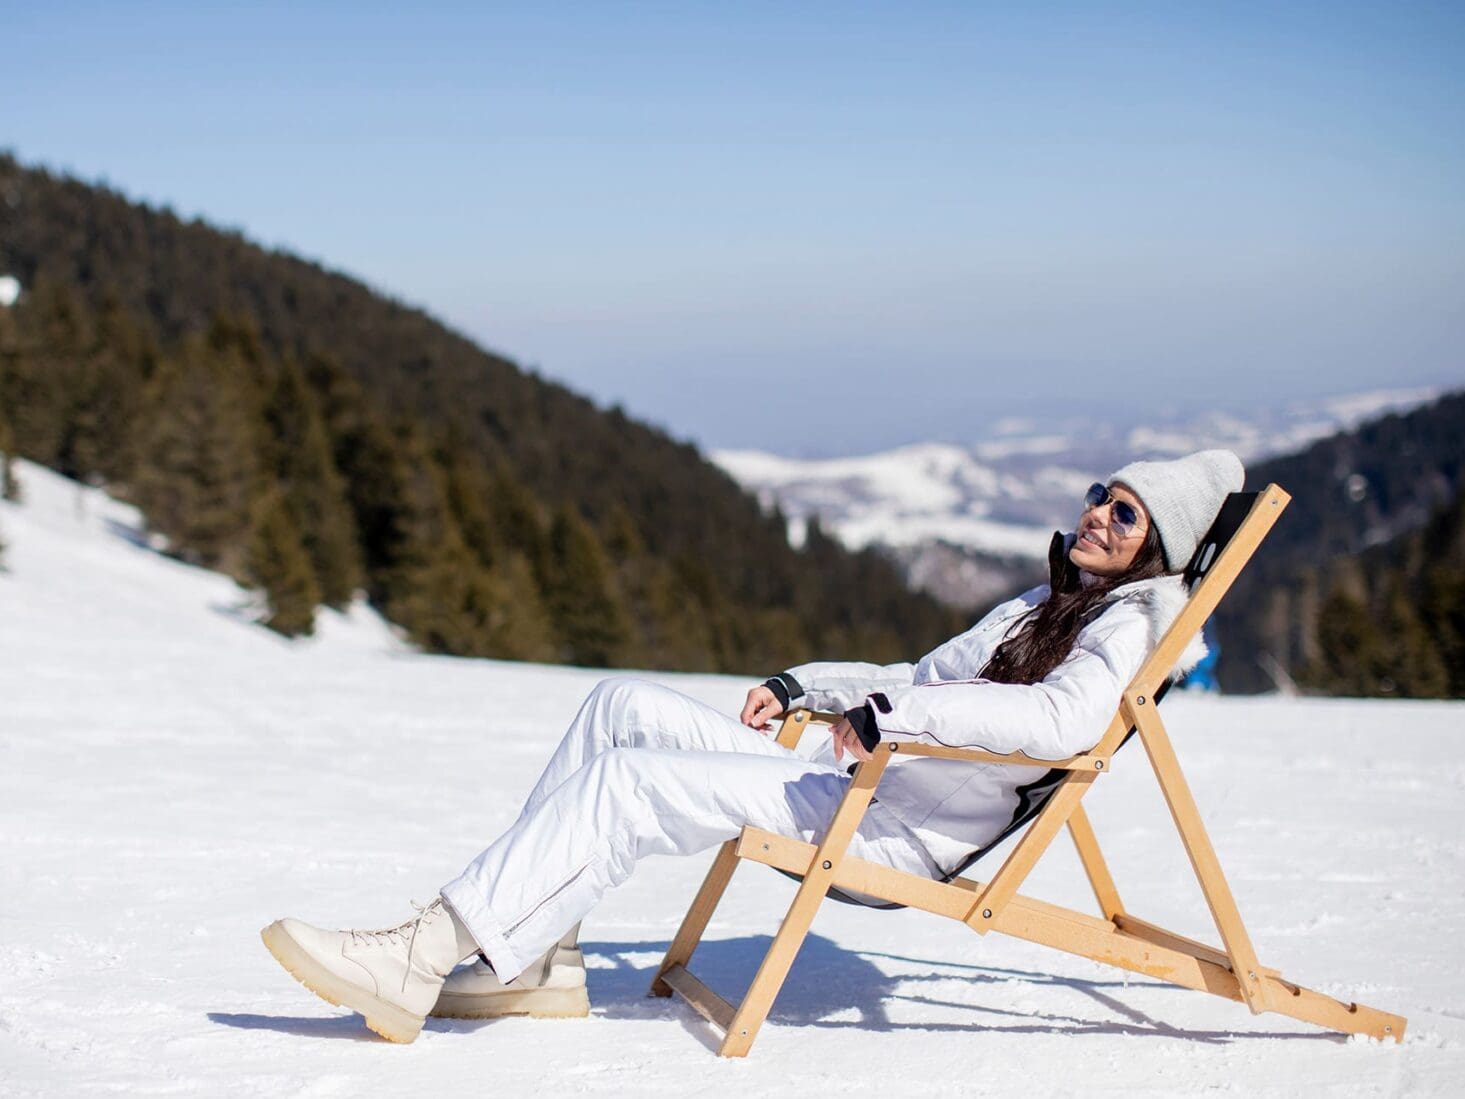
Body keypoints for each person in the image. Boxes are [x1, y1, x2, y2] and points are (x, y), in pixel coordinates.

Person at [261, 449, 1244, 1043]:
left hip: (885, 831)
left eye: (1125, 513)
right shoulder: (1044, 601)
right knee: (617, 707)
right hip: (850, 781)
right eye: (1101, 493)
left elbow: (1059, 725)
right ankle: (537, 960)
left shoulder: (1123, 625)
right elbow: (915, 677)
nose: (1097, 513)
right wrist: (806, 686)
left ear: (1156, 550)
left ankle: (426, 952)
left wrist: (897, 720)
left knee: (629, 783)